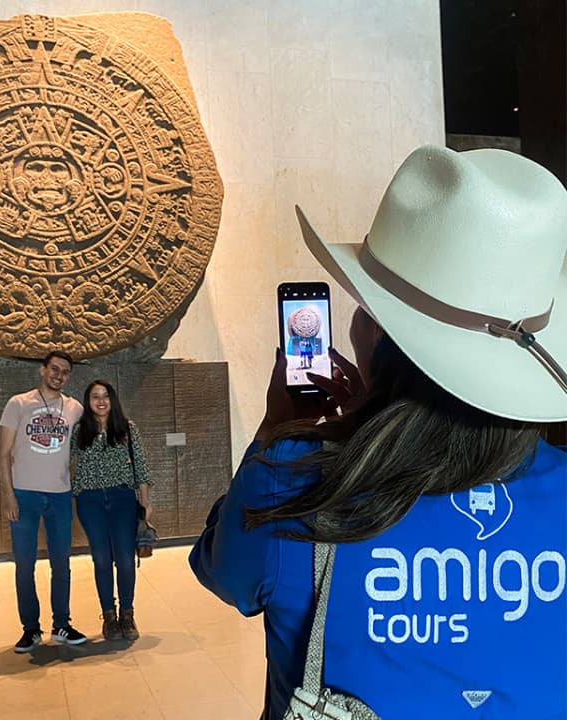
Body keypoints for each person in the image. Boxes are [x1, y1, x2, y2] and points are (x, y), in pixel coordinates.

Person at [190, 145, 567, 719]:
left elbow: (229, 574)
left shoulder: (291, 477)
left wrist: (275, 430)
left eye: (367, 306)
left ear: (382, 344)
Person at [0, 350, 88, 653]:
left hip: (60, 495)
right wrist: (9, 495)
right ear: (43, 370)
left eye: (65, 372)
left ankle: (62, 623)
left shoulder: (74, 408)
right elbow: (2, 454)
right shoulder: (18, 404)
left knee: (61, 563)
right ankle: (31, 629)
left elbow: (94, 433)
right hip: (24, 494)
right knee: (25, 564)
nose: (59, 375)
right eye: (54, 369)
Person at [71, 379, 152, 641]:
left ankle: (127, 614)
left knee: (126, 559)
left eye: (105, 396)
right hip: (90, 501)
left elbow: (140, 465)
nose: (101, 401)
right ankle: (109, 615)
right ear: (88, 402)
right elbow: (69, 464)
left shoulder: (128, 429)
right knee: (102, 559)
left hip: (122, 499)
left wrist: (145, 501)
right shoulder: (79, 431)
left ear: (113, 399)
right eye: (95, 397)